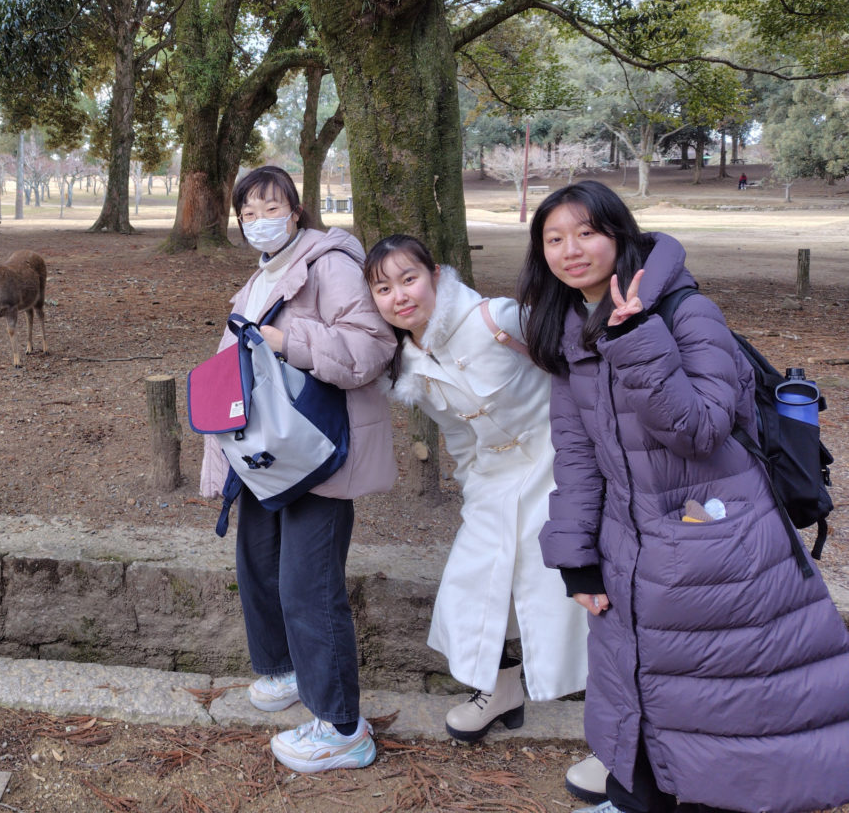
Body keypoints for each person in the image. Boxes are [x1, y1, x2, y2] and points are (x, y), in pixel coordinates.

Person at [520, 180, 849, 813]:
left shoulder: (686, 311)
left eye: (587, 232)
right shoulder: (570, 327)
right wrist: (576, 557)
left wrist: (636, 335)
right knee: (637, 691)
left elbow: (699, 429)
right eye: (554, 239)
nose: (571, 250)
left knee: (722, 705)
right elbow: (579, 455)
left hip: (719, 545)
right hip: (631, 546)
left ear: (620, 235)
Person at [364, 235, 595, 760]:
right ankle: (500, 688)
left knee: (558, 586)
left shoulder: (498, 318)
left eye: (408, 279)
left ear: (435, 276)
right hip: (494, 478)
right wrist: (474, 488)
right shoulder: (410, 367)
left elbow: (578, 368)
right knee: (477, 582)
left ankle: (608, 713)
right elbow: (460, 437)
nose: (400, 296)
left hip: (559, 462)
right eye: (383, 288)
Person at [199, 166, 398, 774]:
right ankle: (286, 671)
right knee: (259, 567)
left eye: (271, 207)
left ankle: (342, 727)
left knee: (309, 586)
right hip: (266, 452)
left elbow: (372, 346)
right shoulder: (259, 277)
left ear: (296, 208)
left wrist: (291, 342)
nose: (260, 220)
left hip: (316, 449)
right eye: (248, 213)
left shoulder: (329, 263)